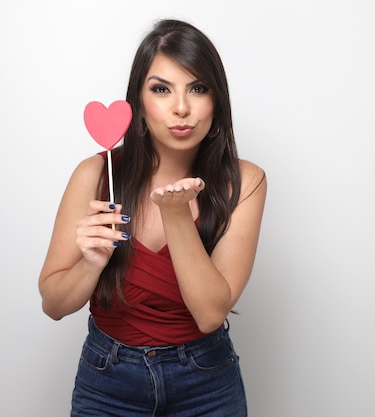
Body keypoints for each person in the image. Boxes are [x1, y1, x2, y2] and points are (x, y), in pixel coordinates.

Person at [38, 18, 267, 417]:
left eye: (198, 88)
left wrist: (176, 216)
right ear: (139, 104)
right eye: (161, 89)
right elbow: (53, 304)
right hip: (106, 380)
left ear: (217, 101)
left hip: (206, 382)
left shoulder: (244, 181)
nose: (181, 107)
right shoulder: (94, 175)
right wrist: (91, 265)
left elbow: (211, 314)